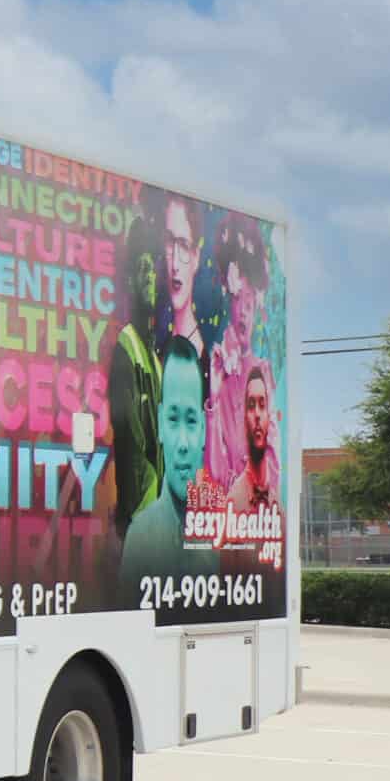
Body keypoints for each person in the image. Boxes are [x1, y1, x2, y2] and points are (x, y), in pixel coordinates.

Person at [121, 335, 223, 593]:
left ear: (202, 429)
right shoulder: (138, 539)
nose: (182, 443)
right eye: (173, 419)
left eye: (190, 421)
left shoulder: (217, 540)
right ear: (160, 425)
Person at [107, 216, 163, 533]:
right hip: (141, 519)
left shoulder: (153, 359)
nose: (151, 278)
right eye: (143, 271)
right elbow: (131, 439)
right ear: (130, 282)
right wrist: (145, 509)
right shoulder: (126, 349)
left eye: (153, 270)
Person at [205, 227, 266, 487]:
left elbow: (269, 472)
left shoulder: (264, 376)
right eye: (238, 299)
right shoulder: (219, 371)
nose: (243, 312)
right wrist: (215, 400)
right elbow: (216, 474)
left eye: (250, 301)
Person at [227, 357, 278, 514]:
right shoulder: (234, 501)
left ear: (269, 416)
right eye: (251, 405)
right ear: (244, 418)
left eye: (262, 405)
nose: (257, 414)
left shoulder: (277, 497)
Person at [162, 196, 202, 352]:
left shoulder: (203, 356)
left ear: (196, 257)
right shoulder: (159, 349)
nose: (175, 265)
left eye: (184, 245)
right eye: (169, 242)